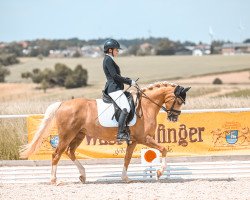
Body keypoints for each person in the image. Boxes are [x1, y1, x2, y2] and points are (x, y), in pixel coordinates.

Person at [102, 39, 136, 141]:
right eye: (116, 50)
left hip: (116, 88)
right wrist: (129, 81)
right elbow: (115, 76)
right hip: (113, 89)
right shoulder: (108, 60)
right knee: (126, 108)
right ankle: (121, 133)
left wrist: (127, 80)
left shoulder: (110, 59)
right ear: (110, 50)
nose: (118, 51)